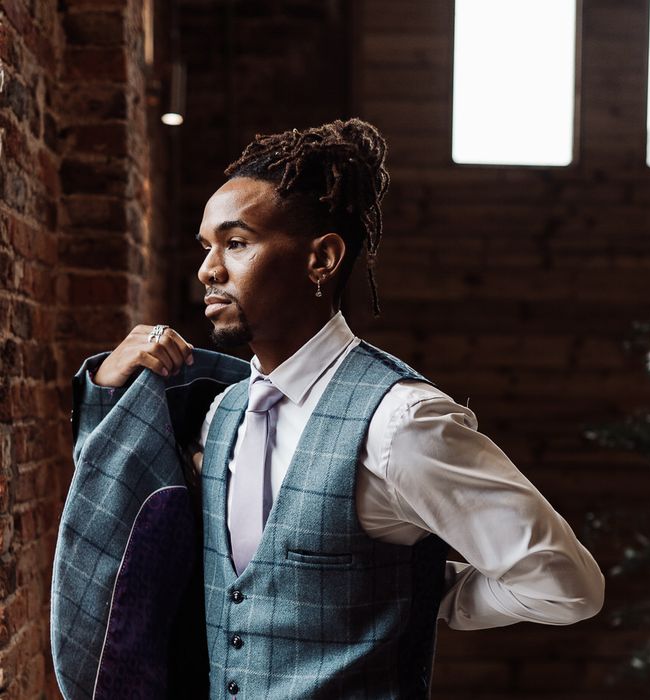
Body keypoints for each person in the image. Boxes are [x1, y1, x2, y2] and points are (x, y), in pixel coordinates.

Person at [51, 118, 604, 700]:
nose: (208, 270)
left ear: (322, 259)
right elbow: (118, 525)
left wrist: (430, 598)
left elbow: (564, 583)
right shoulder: (222, 415)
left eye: (236, 243)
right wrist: (109, 388)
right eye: (206, 247)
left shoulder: (402, 425)